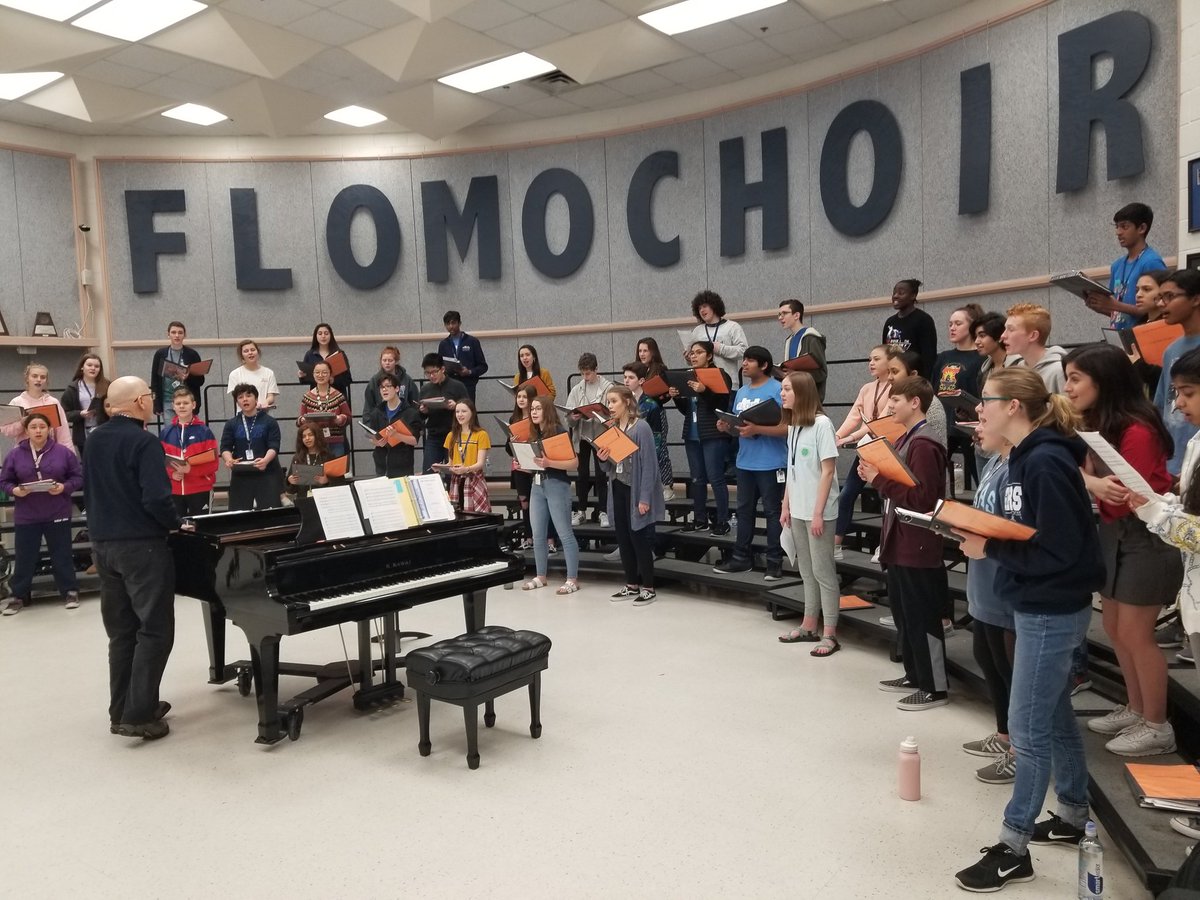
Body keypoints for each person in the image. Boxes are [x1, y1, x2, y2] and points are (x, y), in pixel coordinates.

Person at [953, 368, 1104, 893]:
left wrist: (989, 547)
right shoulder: (1024, 458)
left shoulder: (1042, 461)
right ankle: (1071, 812)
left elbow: (1060, 550)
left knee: (1028, 729)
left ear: (1014, 406)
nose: (980, 413)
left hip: (1051, 608)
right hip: (1036, 601)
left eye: (986, 403)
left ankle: (1013, 848)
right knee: (1053, 712)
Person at [1064, 344, 1181, 756]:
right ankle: (1135, 708)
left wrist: (1085, 480)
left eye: (1076, 378)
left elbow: (1123, 498)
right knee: (1114, 628)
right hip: (1115, 535)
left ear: (1104, 380)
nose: (1068, 387)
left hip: (1145, 538)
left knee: (1136, 633)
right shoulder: (1101, 426)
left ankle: (1157, 725)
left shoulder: (1137, 430)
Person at [83, 376, 181, 741]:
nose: (153, 401)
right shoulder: (145, 442)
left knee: (121, 632)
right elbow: (155, 499)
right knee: (155, 630)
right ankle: (139, 715)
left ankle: (121, 709)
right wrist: (174, 525)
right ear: (140, 401)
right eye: (151, 396)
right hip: (142, 547)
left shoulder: (93, 441)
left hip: (103, 545)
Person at [861, 376, 950, 711]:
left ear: (915, 402)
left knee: (923, 616)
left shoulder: (924, 444)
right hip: (900, 540)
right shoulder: (906, 439)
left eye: (895, 400)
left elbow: (924, 498)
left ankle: (935, 687)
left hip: (918, 544)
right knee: (905, 613)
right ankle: (915, 675)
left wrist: (879, 479)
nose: (889, 406)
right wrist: (875, 476)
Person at [1132, 346, 1200, 683]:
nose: (1178, 404)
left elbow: (1198, 534)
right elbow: (1190, 510)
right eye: (1175, 393)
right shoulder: (1196, 442)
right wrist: (1158, 501)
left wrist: (1152, 509)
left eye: (1188, 393)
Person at [961, 429, 1018, 786]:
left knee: (1007, 665)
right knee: (987, 655)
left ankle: (1018, 749)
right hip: (983, 579)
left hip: (1002, 580)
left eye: (983, 418)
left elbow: (1011, 527)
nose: (976, 427)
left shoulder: (1019, 469)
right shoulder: (996, 461)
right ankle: (1003, 734)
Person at [776, 372, 841, 656]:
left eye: (787, 389)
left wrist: (817, 512)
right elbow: (791, 470)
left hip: (819, 512)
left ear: (802, 392)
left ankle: (830, 634)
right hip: (799, 509)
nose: (782, 394)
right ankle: (808, 625)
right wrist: (785, 505)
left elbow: (828, 471)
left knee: (823, 571)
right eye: (782, 389)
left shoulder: (822, 424)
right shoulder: (793, 425)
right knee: (805, 571)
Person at [714, 346, 788, 581]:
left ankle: (775, 561)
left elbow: (788, 428)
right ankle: (741, 557)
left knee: (773, 512)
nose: (744, 364)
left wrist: (757, 429)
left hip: (772, 462)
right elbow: (741, 430)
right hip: (745, 462)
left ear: (764, 365)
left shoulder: (778, 389)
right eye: (744, 360)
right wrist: (728, 427)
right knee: (744, 511)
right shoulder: (742, 392)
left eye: (750, 360)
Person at [0, 412, 83, 615]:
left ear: (49, 429)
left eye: (42, 427)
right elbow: (4, 481)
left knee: (62, 554)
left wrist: (64, 487)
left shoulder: (63, 452)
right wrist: (15, 490)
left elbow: (79, 477)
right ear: (26, 430)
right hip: (27, 514)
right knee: (25, 556)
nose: (38, 430)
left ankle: (69, 591)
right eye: (34, 427)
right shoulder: (15, 454)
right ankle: (19, 596)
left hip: (57, 511)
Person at [598, 385, 664, 605]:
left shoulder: (641, 427)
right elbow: (607, 468)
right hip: (617, 487)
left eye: (614, 401)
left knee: (639, 538)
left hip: (635, 490)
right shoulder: (612, 428)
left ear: (627, 401)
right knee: (623, 537)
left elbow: (649, 466)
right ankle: (631, 583)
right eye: (608, 402)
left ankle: (648, 586)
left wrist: (645, 498)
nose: (610, 406)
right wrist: (603, 457)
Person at [833, 344, 892, 561]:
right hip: (867, 448)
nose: (871, 363)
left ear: (890, 362)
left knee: (885, 496)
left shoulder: (897, 388)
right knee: (847, 493)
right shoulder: (867, 388)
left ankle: (884, 545)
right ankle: (836, 545)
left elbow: (879, 422)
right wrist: (837, 435)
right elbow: (854, 416)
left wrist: (848, 438)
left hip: (888, 449)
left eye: (876, 359)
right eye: (870, 359)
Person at [670, 340, 733, 535]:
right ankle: (700, 519)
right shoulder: (688, 376)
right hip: (692, 433)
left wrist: (704, 390)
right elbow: (686, 410)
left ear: (710, 356)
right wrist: (676, 397)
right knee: (696, 479)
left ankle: (723, 521)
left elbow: (722, 403)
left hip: (712, 433)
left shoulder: (720, 375)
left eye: (699, 352)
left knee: (716, 479)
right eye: (692, 353)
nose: (693, 356)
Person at [520, 397, 580, 595]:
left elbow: (573, 463)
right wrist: (526, 464)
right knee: (538, 534)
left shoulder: (559, 432)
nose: (534, 412)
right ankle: (541, 575)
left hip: (556, 484)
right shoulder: (533, 433)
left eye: (538, 408)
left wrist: (549, 463)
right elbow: (538, 463)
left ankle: (572, 579)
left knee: (564, 533)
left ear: (547, 410)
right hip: (537, 485)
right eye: (532, 409)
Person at [1084, 202, 1166, 330]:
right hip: (1119, 335)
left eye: (1124, 226)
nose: (1118, 232)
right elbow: (1118, 312)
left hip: (1142, 335)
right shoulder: (1117, 265)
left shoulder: (1151, 261)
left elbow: (1158, 307)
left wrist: (1114, 305)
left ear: (1141, 228)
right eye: (1116, 227)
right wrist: (1100, 306)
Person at [1154, 269, 1200, 477]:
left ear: (1196, 298)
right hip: (1173, 461)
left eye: (1169, 297)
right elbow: (1162, 405)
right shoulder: (1171, 350)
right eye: (1160, 298)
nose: (1161, 304)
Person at [934, 304, 986, 489]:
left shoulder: (981, 358)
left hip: (968, 423)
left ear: (972, 327)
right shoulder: (944, 357)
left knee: (979, 475)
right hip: (943, 422)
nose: (952, 328)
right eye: (950, 324)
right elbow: (934, 390)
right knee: (934, 472)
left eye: (958, 323)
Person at [565, 353, 613, 527]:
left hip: (601, 436)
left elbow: (613, 411)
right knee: (582, 474)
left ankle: (603, 511)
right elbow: (568, 418)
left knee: (602, 475)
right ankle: (581, 511)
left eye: (588, 373)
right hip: (583, 436)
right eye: (583, 373)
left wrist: (602, 413)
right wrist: (574, 417)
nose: (585, 377)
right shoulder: (577, 389)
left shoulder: (608, 387)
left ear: (596, 370)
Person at [220, 383, 282, 511]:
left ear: (256, 399)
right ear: (237, 402)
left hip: (266, 472)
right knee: (239, 516)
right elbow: (225, 447)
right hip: (241, 475)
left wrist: (265, 460)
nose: (245, 399)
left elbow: (274, 446)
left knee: (270, 514)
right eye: (240, 397)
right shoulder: (231, 424)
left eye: (249, 395)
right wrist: (228, 460)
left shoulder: (269, 422)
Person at [159, 386, 218, 517]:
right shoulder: (166, 433)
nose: (182, 406)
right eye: (178, 403)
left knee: (202, 527)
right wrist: (171, 475)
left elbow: (213, 463)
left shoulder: (204, 432)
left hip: (200, 489)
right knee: (176, 529)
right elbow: (159, 461)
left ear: (193, 405)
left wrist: (190, 470)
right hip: (174, 490)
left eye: (185, 403)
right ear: (173, 406)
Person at [623, 362, 672, 501]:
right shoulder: (623, 402)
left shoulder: (651, 405)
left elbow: (656, 437)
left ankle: (666, 486)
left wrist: (650, 456)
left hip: (644, 453)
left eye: (631, 377)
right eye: (625, 377)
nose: (626, 380)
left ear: (641, 381)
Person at [2, 363, 74, 451]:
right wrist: (21, 424)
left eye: (43, 377)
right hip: (23, 453)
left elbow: (63, 434)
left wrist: (69, 457)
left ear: (46, 381)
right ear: (27, 379)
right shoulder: (17, 402)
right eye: (34, 376)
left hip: (49, 452)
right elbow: (7, 431)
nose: (39, 380)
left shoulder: (53, 402)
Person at [363, 374, 423, 478]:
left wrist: (396, 435)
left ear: (397, 388)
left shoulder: (410, 413)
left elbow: (414, 440)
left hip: (402, 465)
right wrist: (376, 442)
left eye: (388, 386)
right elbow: (372, 437)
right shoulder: (377, 412)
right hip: (381, 464)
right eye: (382, 387)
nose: (384, 390)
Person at [636, 339, 674, 499]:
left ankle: (667, 486)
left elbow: (665, 396)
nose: (642, 354)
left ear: (653, 352)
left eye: (645, 351)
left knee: (660, 449)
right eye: (640, 351)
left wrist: (651, 391)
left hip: (656, 412)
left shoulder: (660, 369)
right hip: (639, 413)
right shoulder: (637, 369)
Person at [419, 353, 469, 474]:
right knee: (428, 471)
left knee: (453, 472)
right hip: (434, 435)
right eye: (427, 373)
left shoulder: (457, 386)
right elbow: (421, 416)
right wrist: (423, 411)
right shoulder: (425, 389)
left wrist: (456, 406)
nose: (431, 376)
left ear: (443, 369)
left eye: (434, 372)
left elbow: (469, 410)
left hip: (454, 434)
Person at [886, 349, 947, 446]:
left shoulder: (932, 405)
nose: (889, 377)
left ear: (913, 374)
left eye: (894, 372)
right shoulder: (893, 401)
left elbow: (936, 447)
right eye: (888, 372)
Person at [1002, 303, 1066, 393]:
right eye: (1005, 329)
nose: (1003, 336)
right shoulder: (1018, 370)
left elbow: (1068, 407)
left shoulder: (1058, 371)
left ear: (1033, 335)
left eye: (1011, 329)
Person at [688, 290, 748, 384]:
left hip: (728, 383)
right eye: (699, 308)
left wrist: (720, 348)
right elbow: (692, 361)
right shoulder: (697, 331)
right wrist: (689, 357)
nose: (702, 310)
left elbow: (743, 351)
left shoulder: (732, 327)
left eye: (704, 306)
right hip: (703, 384)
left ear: (714, 306)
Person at [882, 279, 937, 379]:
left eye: (901, 293)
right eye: (894, 292)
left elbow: (929, 356)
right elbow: (885, 352)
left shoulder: (923, 320)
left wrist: (925, 381)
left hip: (914, 379)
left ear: (913, 296)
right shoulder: (890, 322)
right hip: (893, 378)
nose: (895, 296)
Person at [1128, 269, 1172, 394]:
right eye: (1137, 290)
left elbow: (1166, 376)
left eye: (1146, 289)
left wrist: (1138, 365)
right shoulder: (1137, 326)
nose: (1138, 295)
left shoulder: (1170, 327)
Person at [444, 399, 491, 513]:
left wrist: (466, 469)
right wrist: (442, 468)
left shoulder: (481, 434)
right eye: (457, 411)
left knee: (479, 517)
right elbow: (450, 463)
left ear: (472, 413)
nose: (460, 415)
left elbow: (480, 463)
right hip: (456, 481)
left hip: (474, 479)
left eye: (464, 411)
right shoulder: (451, 435)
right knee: (458, 515)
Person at [150, 321, 205, 417]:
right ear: (168, 335)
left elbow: (200, 381)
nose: (177, 335)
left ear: (185, 335)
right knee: (171, 430)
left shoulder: (192, 354)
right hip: (167, 400)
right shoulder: (160, 354)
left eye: (180, 333)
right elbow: (154, 380)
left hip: (187, 400)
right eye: (173, 332)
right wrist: (156, 403)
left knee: (187, 429)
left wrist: (188, 377)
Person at [297, 360, 350, 458]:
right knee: (316, 471)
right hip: (314, 443)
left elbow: (348, 417)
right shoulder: (307, 397)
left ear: (330, 374)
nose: (320, 375)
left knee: (336, 471)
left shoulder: (339, 396)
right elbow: (299, 420)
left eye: (324, 372)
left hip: (335, 441)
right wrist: (303, 420)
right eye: (317, 372)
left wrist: (340, 419)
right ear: (313, 374)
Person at [777, 299, 828, 400]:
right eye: (779, 314)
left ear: (796, 315)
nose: (780, 318)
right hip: (794, 397)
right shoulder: (789, 340)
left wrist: (795, 374)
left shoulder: (811, 338)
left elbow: (821, 373)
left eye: (785, 313)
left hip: (809, 399)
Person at [506, 384, 537, 549]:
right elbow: (507, 449)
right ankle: (528, 537)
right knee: (524, 503)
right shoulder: (513, 419)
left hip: (534, 465)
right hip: (518, 466)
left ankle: (546, 538)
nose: (521, 400)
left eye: (524, 397)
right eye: (519, 397)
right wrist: (511, 441)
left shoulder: (537, 417)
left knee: (537, 503)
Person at [61, 352, 108, 458]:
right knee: (88, 464)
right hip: (83, 433)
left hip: (103, 431)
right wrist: (80, 414)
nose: (93, 368)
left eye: (97, 366)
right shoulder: (72, 388)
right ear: (82, 367)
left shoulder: (107, 385)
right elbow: (64, 413)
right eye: (89, 365)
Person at [438, 311, 489, 401]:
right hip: (450, 386)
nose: (451, 326)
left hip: (468, 386)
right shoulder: (443, 344)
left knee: (468, 411)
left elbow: (483, 366)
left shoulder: (472, 341)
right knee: (452, 413)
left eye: (453, 323)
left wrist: (469, 372)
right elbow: (439, 366)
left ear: (459, 323)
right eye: (447, 324)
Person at [297, 322, 352, 398]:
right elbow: (306, 380)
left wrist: (333, 380)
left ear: (331, 336)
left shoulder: (339, 354)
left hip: (337, 397)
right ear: (315, 336)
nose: (323, 336)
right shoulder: (310, 354)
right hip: (317, 397)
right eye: (320, 334)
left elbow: (348, 379)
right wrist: (301, 377)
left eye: (326, 333)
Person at [363, 346, 417, 419]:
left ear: (396, 361)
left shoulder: (406, 379)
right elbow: (368, 407)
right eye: (384, 360)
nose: (387, 363)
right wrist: (369, 427)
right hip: (381, 420)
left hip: (404, 420)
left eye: (390, 360)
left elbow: (414, 402)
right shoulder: (374, 380)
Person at [226, 340, 278, 409]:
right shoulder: (235, 374)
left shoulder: (269, 372)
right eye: (246, 351)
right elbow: (237, 397)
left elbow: (271, 396)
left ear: (258, 352)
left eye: (253, 350)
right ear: (242, 355)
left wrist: (266, 402)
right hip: (244, 414)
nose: (250, 353)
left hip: (264, 413)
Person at [285, 424, 332, 497]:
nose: (307, 438)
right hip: (303, 499)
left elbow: (339, 482)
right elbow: (291, 491)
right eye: (304, 436)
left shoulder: (328, 456)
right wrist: (291, 481)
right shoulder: (297, 458)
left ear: (317, 436)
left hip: (324, 499)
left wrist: (327, 481)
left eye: (310, 435)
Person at [973, 311, 1018, 384]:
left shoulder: (1018, 366)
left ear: (999, 336)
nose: (976, 341)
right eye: (976, 337)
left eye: (982, 336)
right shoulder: (984, 371)